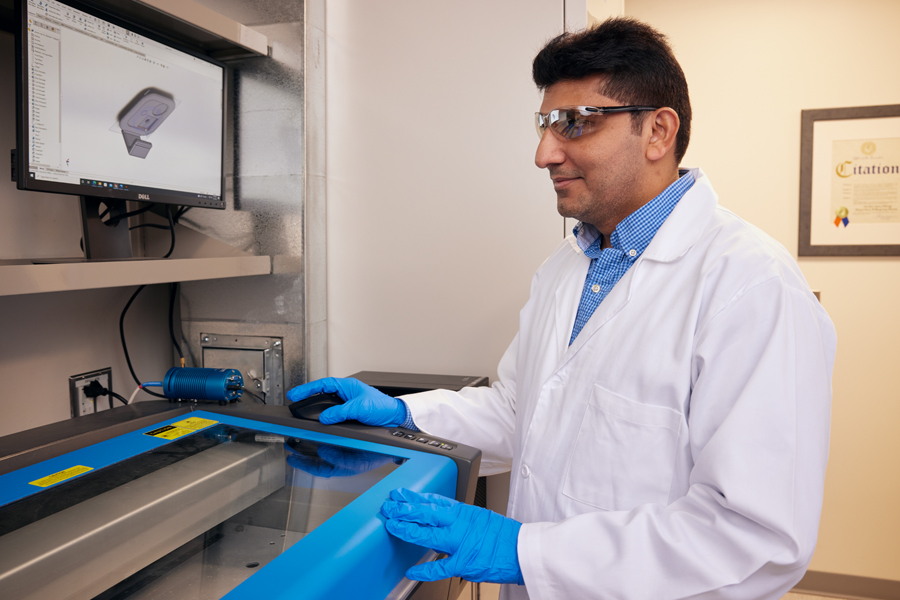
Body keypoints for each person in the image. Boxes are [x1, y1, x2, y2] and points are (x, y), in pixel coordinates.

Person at [288, 17, 836, 600]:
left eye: (574, 124)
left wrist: (525, 551)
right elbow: (521, 413)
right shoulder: (568, 267)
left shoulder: (753, 285)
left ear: (657, 131)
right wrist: (405, 417)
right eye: (546, 125)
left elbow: (755, 540)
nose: (544, 153)